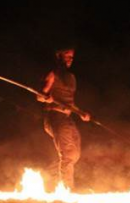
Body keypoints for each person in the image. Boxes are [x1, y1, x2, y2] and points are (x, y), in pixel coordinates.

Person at [37, 46, 90, 190]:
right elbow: (40, 96)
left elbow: (70, 103)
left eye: (72, 57)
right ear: (59, 56)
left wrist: (81, 113)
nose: (70, 59)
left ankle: (51, 177)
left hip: (67, 118)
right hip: (55, 117)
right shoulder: (53, 74)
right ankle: (67, 191)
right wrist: (46, 97)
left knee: (75, 154)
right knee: (68, 155)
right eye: (67, 56)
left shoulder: (71, 78)